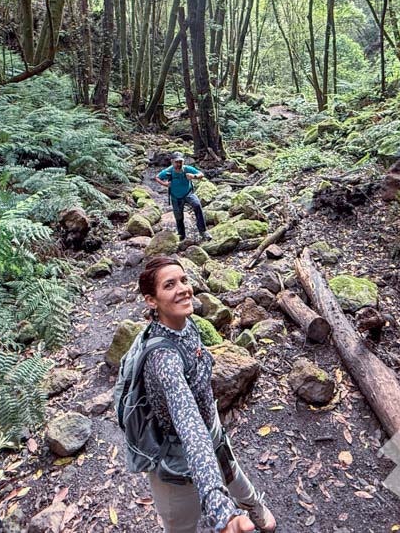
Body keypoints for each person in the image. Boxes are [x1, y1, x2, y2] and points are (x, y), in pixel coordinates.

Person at [136, 256, 276, 533]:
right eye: (170, 285)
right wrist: (221, 511)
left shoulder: (187, 325)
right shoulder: (163, 360)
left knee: (236, 478)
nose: (184, 289)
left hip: (214, 432)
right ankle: (229, 512)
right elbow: (189, 425)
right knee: (180, 525)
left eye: (184, 280)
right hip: (175, 460)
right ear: (151, 300)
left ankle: (253, 508)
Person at [155, 152, 211, 243]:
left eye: (180, 162)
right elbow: (157, 177)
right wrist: (165, 184)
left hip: (188, 194)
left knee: (197, 205)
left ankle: (203, 231)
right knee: (178, 216)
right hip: (175, 197)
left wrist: (194, 176)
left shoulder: (187, 169)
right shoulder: (169, 171)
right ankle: (181, 235)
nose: (179, 164)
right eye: (177, 162)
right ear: (172, 162)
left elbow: (201, 174)